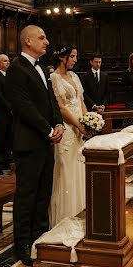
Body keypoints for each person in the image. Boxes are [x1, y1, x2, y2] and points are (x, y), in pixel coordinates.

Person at [6, 26, 64, 266]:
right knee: (27, 195)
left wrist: (58, 122)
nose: (47, 42)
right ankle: (22, 245)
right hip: (29, 142)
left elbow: (50, 101)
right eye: (42, 38)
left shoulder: (40, 68)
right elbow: (24, 106)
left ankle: (39, 236)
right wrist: (49, 129)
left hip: (44, 141)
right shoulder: (16, 69)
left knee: (44, 191)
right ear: (27, 41)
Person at [49, 45, 91, 227]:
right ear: (62, 58)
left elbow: (80, 101)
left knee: (80, 167)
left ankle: (82, 209)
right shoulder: (54, 77)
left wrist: (89, 120)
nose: (75, 60)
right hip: (67, 129)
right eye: (72, 56)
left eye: (75, 56)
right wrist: (79, 126)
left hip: (80, 127)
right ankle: (65, 218)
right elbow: (61, 107)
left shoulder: (74, 76)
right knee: (66, 169)